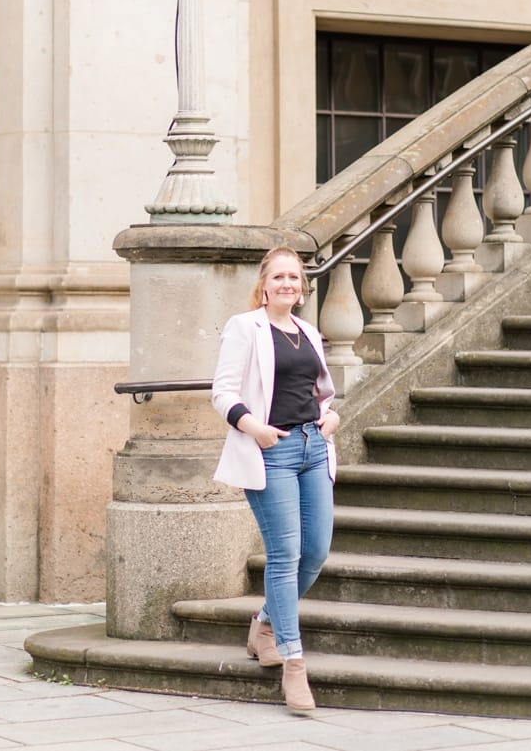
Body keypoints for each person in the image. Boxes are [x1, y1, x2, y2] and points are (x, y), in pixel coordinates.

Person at [211, 245, 340, 714]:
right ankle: (293, 663)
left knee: (318, 551)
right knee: (285, 556)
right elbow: (223, 393)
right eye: (279, 277)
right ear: (264, 285)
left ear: (303, 287)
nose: (288, 283)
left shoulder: (308, 331)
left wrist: (331, 417)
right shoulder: (245, 327)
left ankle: (265, 621)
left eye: (295, 277)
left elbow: (318, 393)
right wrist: (255, 428)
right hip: (272, 452)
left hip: (312, 447)